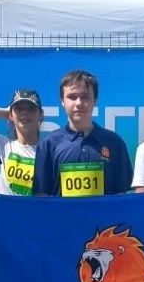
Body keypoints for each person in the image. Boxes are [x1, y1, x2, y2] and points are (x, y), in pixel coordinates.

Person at [32, 69, 132, 197]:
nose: (79, 103)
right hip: (62, 212)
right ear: (62, 101)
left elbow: (123, 194)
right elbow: (41, 195)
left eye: (85, 97)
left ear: (95, 100)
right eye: (72, 97)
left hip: (104, 212)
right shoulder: (48, 144)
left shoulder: (114, 143)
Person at [0, 88, 44, 196]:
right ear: (11, 115)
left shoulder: (47, 152)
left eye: (31, 108)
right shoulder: (2, 144)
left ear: (40, 114)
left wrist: (14, 114)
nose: (24, 112)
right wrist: (5, 113)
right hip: (2, 207)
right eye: (18, 108)